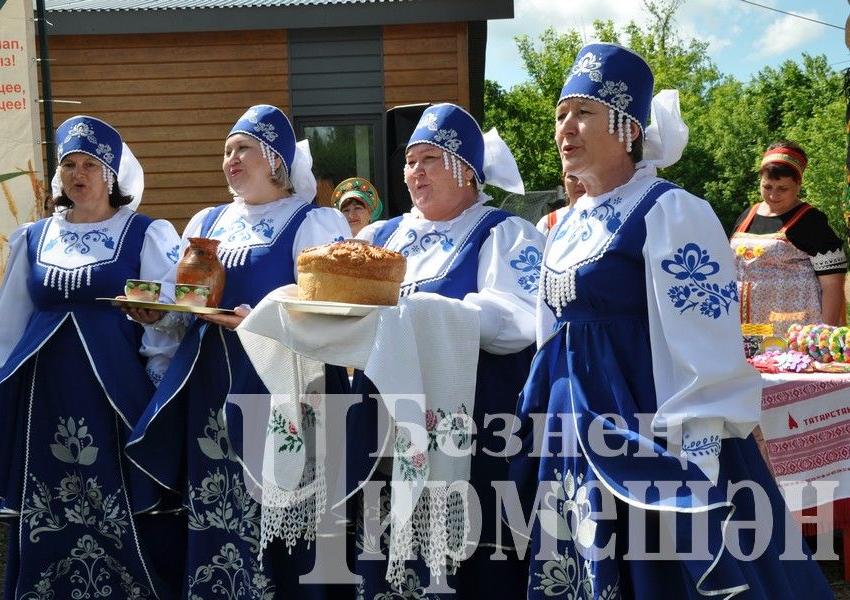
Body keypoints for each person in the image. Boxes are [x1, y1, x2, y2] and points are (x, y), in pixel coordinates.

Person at [513, 43, 834, 599]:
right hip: (575, 423)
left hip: (647, 418)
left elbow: (704, 336)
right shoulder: (565, 224)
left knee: (661, 564)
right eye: (561, 114)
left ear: (627, 127)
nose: (566, 127)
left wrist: (699, 448)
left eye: (583, 112)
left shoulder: (669, 209)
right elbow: (549, 333)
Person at [0, 115, 183, 598]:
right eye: (69, 164)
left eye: (90, 165)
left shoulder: (146, 233)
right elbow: (10, 323)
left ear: (112, 176)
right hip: (42, 397)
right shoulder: (34, 236)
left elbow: (165, 320)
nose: (77, 174)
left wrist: (160, 392)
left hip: (116, 396)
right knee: (49, 499)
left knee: (121, 496)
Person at [124, 104, 352, 599]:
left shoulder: (314, 221)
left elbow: (333, 306)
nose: (230, 158)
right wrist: (155, 310)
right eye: (226, 150)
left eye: (242, 148)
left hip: (285, 381)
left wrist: (263, 317)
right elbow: (186, 297)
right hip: (211, 382)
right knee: (219, 503)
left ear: (275, 159)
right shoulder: (209, 220)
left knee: (287, 506)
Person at [348, 102, 545, 598]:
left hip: (472, 424)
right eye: (410, 161)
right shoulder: (379, 237)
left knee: (467, 556)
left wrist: (423, 311)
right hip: (387, 419)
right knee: (385, 541)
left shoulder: (503, 233)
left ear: (466, 169)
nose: (413, 172)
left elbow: (517, 320)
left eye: (428, 159)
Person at [731, 141, 847, 334]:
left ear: (798, 184)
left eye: (782, 188)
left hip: (795, 332)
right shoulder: (746, 216)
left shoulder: (810, 222)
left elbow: (833, 283)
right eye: (767, 186)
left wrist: (827, 333)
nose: (773, 195)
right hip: (748, 329)